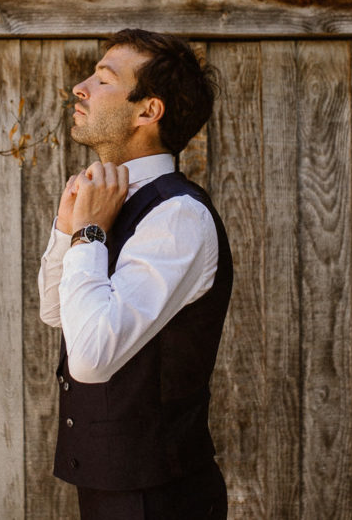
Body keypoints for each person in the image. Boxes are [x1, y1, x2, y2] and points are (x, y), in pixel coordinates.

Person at [37, 29, 234, 519]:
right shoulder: (109, 202)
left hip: (159, 497)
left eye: (103, 79)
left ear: (148, 110)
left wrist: (87, 235)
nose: (80, 87)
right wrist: (68, 232)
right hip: (114, 487)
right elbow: (55, 313)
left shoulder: (178, 217)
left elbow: (91, 359)